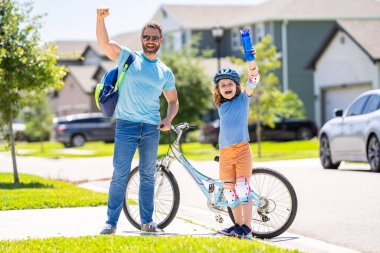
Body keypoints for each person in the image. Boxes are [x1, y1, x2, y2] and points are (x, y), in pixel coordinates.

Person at [96, 7, 179, 235]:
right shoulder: (128, 58)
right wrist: (100, 18)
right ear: (141, 39)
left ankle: (147, 222)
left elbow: (173, 101)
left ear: (160, 40)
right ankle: (110, 222)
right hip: (126, 125)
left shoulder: (165, 71)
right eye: (146, 37)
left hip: (151, 129)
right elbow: (104, 43)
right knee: (120, 174)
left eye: (154, 37)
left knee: (147, 177)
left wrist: (168, 118)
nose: (150, 41)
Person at [213, 50, 260, 239]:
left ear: (236, 86)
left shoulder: (243, 99)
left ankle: (247, 228)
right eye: (222, 85)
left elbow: (254, 78)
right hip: (225, 152)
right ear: (218, 90)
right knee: (229, 192)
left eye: (230, 84)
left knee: (242, 189)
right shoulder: (221, 105)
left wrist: (251, 60)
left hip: (241, 149)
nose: (227, 87)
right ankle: (238, 226)